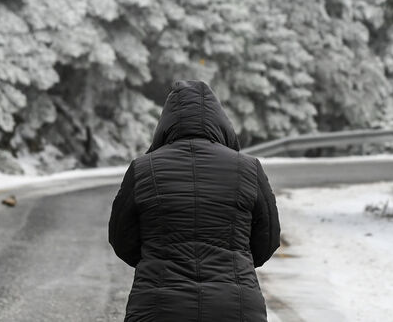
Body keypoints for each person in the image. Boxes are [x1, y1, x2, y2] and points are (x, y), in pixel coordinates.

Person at [108, 79, 280, 322]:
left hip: (158, 306)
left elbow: (121, 238)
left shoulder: (143, 169)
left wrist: (157, 259)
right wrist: (236, 261)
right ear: (220, 121)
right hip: (235, 306)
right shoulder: (248, 168)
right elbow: (268, 239)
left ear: (166, 123)